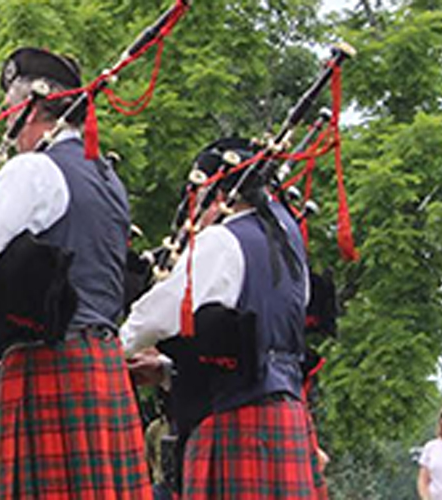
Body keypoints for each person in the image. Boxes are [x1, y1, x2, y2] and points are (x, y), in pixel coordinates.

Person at [0, 47, 149, 498]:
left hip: (48, 363)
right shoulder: (108, 180)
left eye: (7, 109)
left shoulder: (34, 169)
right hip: (101, 359)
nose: (5, 125)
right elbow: (50, 276)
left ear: (29, 109)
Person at [123, 138, 323, 499]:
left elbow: (156, 316)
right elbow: (251, 342)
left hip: (236, 421)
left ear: (218, 196)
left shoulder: (222, 240)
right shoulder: (289, 242)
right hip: (286, 414)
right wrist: (167, 370)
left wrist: (113, 349)